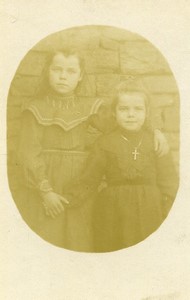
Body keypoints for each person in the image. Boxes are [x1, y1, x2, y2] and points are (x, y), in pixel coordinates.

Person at [17, 47, 169, 251]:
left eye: (71, 71)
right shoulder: (34, 110)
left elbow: (126, 120)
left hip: (83, 181)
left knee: (81, 240)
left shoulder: (93, 107)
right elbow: (28, 154)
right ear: (47, 72)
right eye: (57, 69)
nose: (63, 76)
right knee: (48, 240)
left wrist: (156, 130)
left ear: (80, 76)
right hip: (47, 181)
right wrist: (46, 192)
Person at [63, 79, 179, 252]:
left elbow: (169, 181)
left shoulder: (155, 142)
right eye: (124, 109)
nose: (131, 114)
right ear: (114, 113)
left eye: (138, 109)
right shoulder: (104, 143)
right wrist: (67, 199)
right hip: (113, 212)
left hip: (150, 211)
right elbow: (89, 179)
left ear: (147, 112)